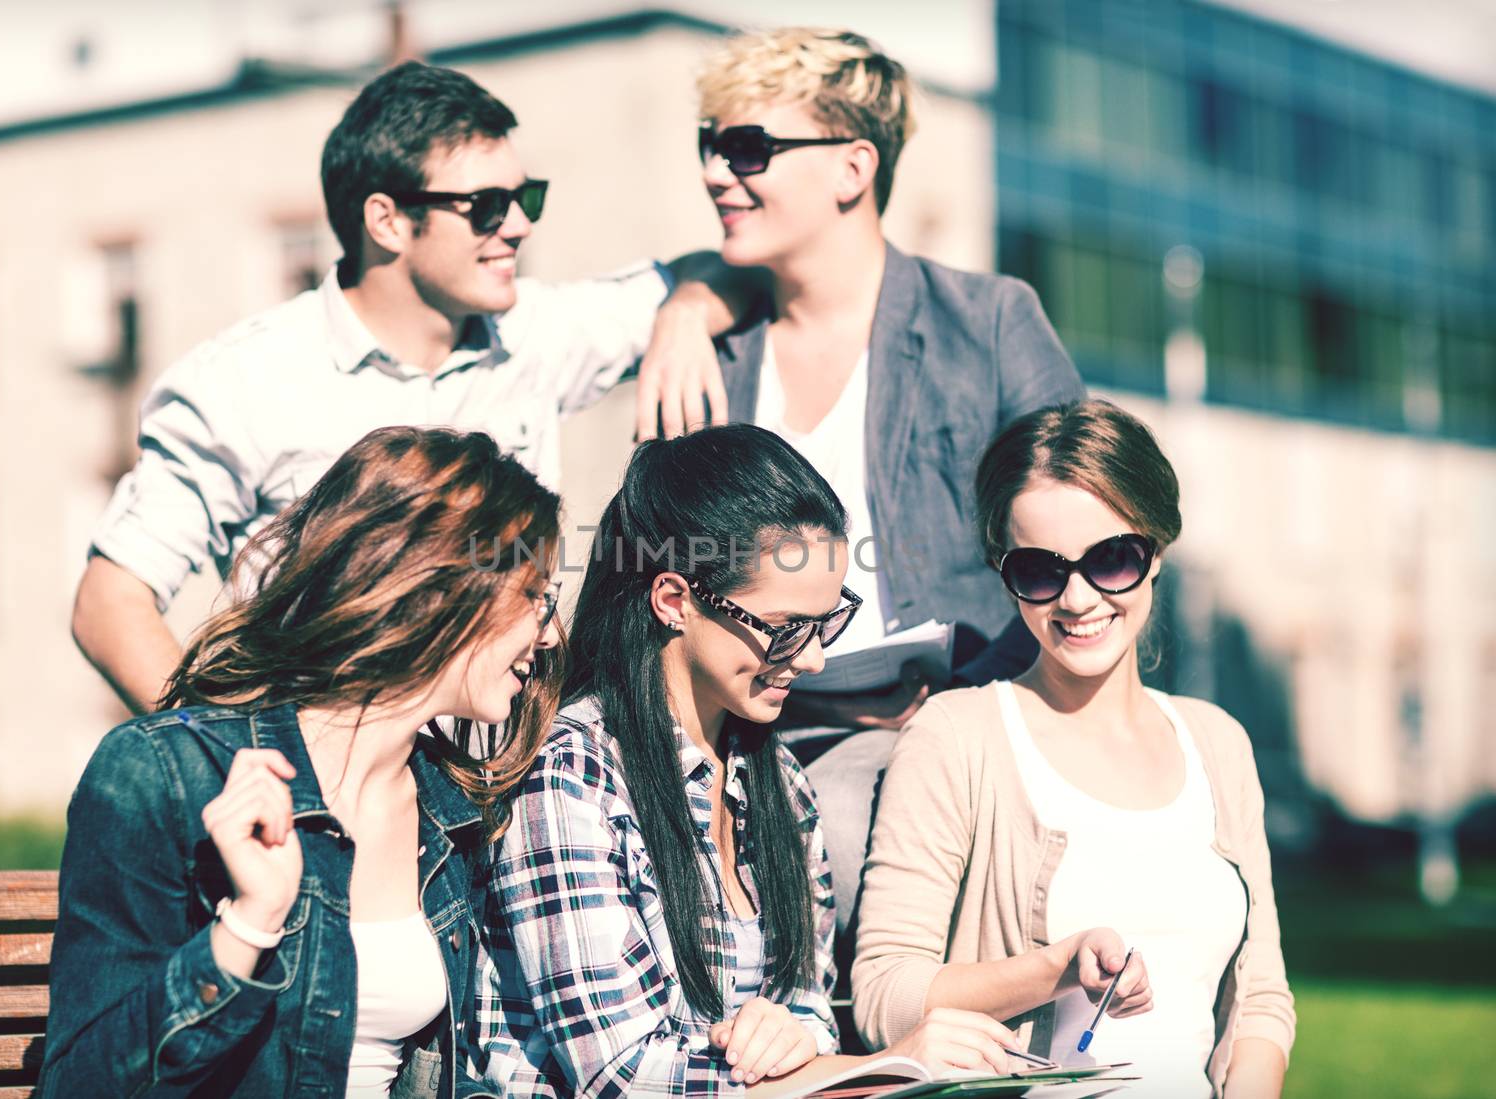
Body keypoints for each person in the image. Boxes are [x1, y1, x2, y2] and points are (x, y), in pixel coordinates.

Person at [72, 60, 738, 716]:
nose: (518, 225)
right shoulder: (241, 383)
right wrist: (224, 764)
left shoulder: (533, 333)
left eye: (525, 196)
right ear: (386, 221)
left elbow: (732, 271)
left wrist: (683, 313)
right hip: (330, 799)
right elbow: (110, 602)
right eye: (485, 207)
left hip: (504, 786)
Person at [474, 424, 1019, 1097]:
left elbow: (812, 1010)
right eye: (786, 629)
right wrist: (881, 1068)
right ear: (675, 600)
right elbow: (619, 1075)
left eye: (826, 622)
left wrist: (796, 1038)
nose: (813, 658)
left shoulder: (779, 782)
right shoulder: (570, 777)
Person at [688, 28, 1085, 930]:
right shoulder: (711, 354)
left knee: (831, 846)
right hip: (743, 732)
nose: (716, 171)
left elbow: (1086, 534)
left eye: (747, 147)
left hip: (940, 726)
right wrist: (682, 306)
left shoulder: (986, 323)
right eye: (708, 145)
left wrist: (966, 709)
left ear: (852, 167)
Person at [42, 426, 565, 1098]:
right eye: (533, 597)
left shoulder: (446, 809)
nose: (549, 634)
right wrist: (249, 922)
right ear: (438, 586)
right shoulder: (164, 774)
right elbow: (81, 1086)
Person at [853, 400, 1296, 1099]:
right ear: (1005, 570)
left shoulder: (1219, 742)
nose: (1078, 597)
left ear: (1157, 552)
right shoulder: (956, 736)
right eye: (1039, 570)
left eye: (1112, 558)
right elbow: (884, 994)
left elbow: (1262, 998)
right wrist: (1054, 967)